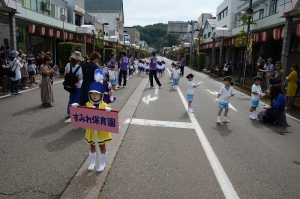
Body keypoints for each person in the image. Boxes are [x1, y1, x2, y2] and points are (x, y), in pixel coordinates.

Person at [72, 81, 112, 172]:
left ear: (101, 95)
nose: (94, 96)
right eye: (92, 94)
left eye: (96, 94)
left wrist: (108, 110)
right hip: (91, 130)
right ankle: (92, 162)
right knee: (92, 146)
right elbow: (82, 112)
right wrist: (76, 108)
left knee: (102, 145)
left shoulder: (104, 105)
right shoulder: (88, 104)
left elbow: (110, 114)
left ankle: (102, 162)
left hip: (101, 130)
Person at [64, 51, 84, 118]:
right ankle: (75, 114)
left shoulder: (67, 65)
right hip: (77, 86)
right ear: (78, 59)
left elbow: (65, 74)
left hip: (70, 85)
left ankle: (69, 113)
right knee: (76, 100)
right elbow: (80, 77)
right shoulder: (79, 67)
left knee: (71, 99)